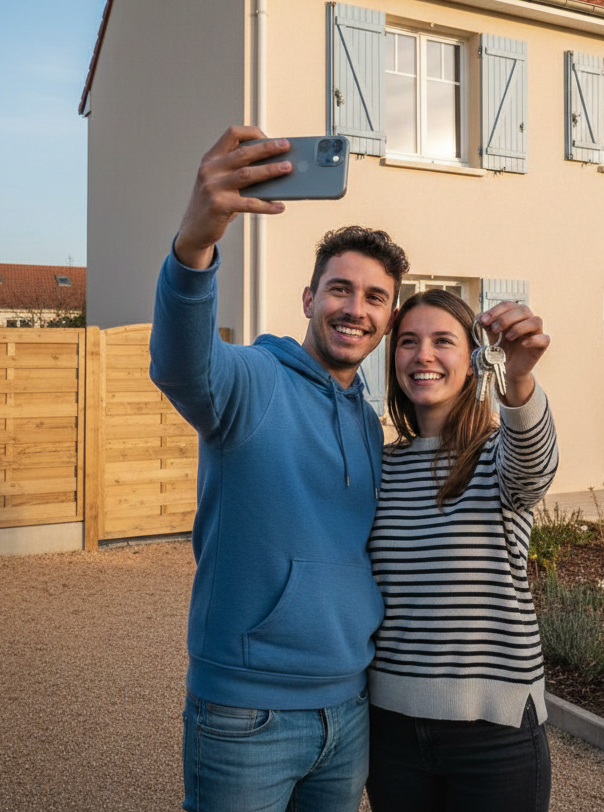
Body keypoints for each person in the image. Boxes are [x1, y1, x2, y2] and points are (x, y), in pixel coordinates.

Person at [148, 125, 409, 812]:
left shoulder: (366, 418)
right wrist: (196, 242)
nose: (354, 309)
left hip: (348, 712)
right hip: (246, 717)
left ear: (386, 318)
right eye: (340, 290)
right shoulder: (254, 381)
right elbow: (181, 362)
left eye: (374, 298)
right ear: (309, 299)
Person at [366, 289, 558, 812]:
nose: (422, 355)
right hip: (391, 733)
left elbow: (535, 461)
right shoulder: (378, 467)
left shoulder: (497, 458)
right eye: (408, 342)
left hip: (493, 736)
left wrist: (517, 378)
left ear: (473, 363)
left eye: (442, 341)